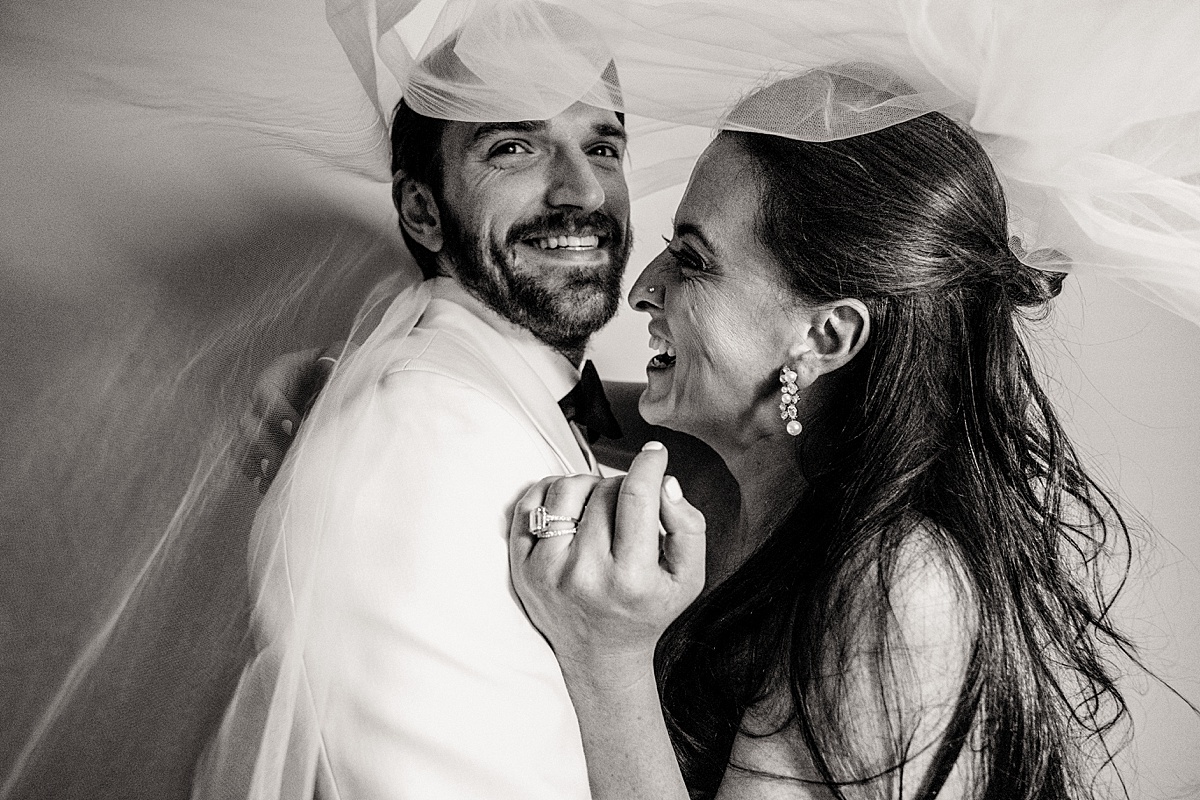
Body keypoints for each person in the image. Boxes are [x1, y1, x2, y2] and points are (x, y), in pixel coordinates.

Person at [506, 76, 1140, 799]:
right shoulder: (720, 466)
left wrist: (608, 658)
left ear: (825, 336)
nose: (642, 289)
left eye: (691, 259)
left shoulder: (899, 585)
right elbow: (556, 402)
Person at [192, 75, 645, 798]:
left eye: (602, 146)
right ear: (422, 211)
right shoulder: (419, 447)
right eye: (514, 148)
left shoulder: (498, 399)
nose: (584, 190)